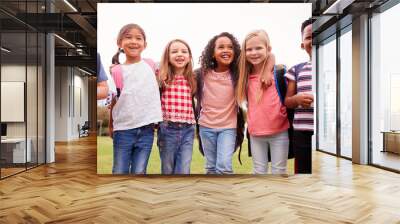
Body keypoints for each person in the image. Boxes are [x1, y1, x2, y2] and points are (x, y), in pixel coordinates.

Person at [109, 23, 162, 174]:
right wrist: (111, 125)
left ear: (145, 44)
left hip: (147, 130)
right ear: (119, 43)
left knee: (140, 171)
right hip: (123, 130)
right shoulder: (116, 71)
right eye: (128, 37)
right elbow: (114, 101)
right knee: (119, 171)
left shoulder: (151, 65)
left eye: (138, 38)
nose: (134, 41)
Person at [236, 30, 289, 175]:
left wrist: (267, 70)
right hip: (256, 134)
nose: (254, 52)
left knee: (279, 171)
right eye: (249, 49)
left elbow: (272, 57)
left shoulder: (278, 73)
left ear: (268, 49)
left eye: (258, 48)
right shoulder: (244, 77)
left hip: (280, 132)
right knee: (259, 171)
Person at [195, 32, 247, 174]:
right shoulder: (202, 74)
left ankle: (224, 194)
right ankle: (212, 195)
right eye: (221, 47)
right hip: (206, 127)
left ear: (235, 52)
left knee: (223, 166)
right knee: (211, 166)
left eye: (230, 47)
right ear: (213, 53)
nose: (226, 50)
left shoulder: (238, 74)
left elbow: (270, 58)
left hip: (228, 128)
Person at [157, 39, 197, 174]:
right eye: (174, 52)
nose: (179, 54)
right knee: (167, 169)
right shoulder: (161, 76)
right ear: (167, 56)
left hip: (188, 129)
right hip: (168, 128)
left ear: (190, 57)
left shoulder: (193, 78)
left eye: (184, 51)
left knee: (184, 170)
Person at [284, 18, 314, 174]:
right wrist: (296, 99)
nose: (313, 40)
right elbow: (287, 101)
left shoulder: (336, 66)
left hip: (327, 134)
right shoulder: (296, 69)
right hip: (301, 132)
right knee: (303, 172)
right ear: (302, 44)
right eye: (309, 37)